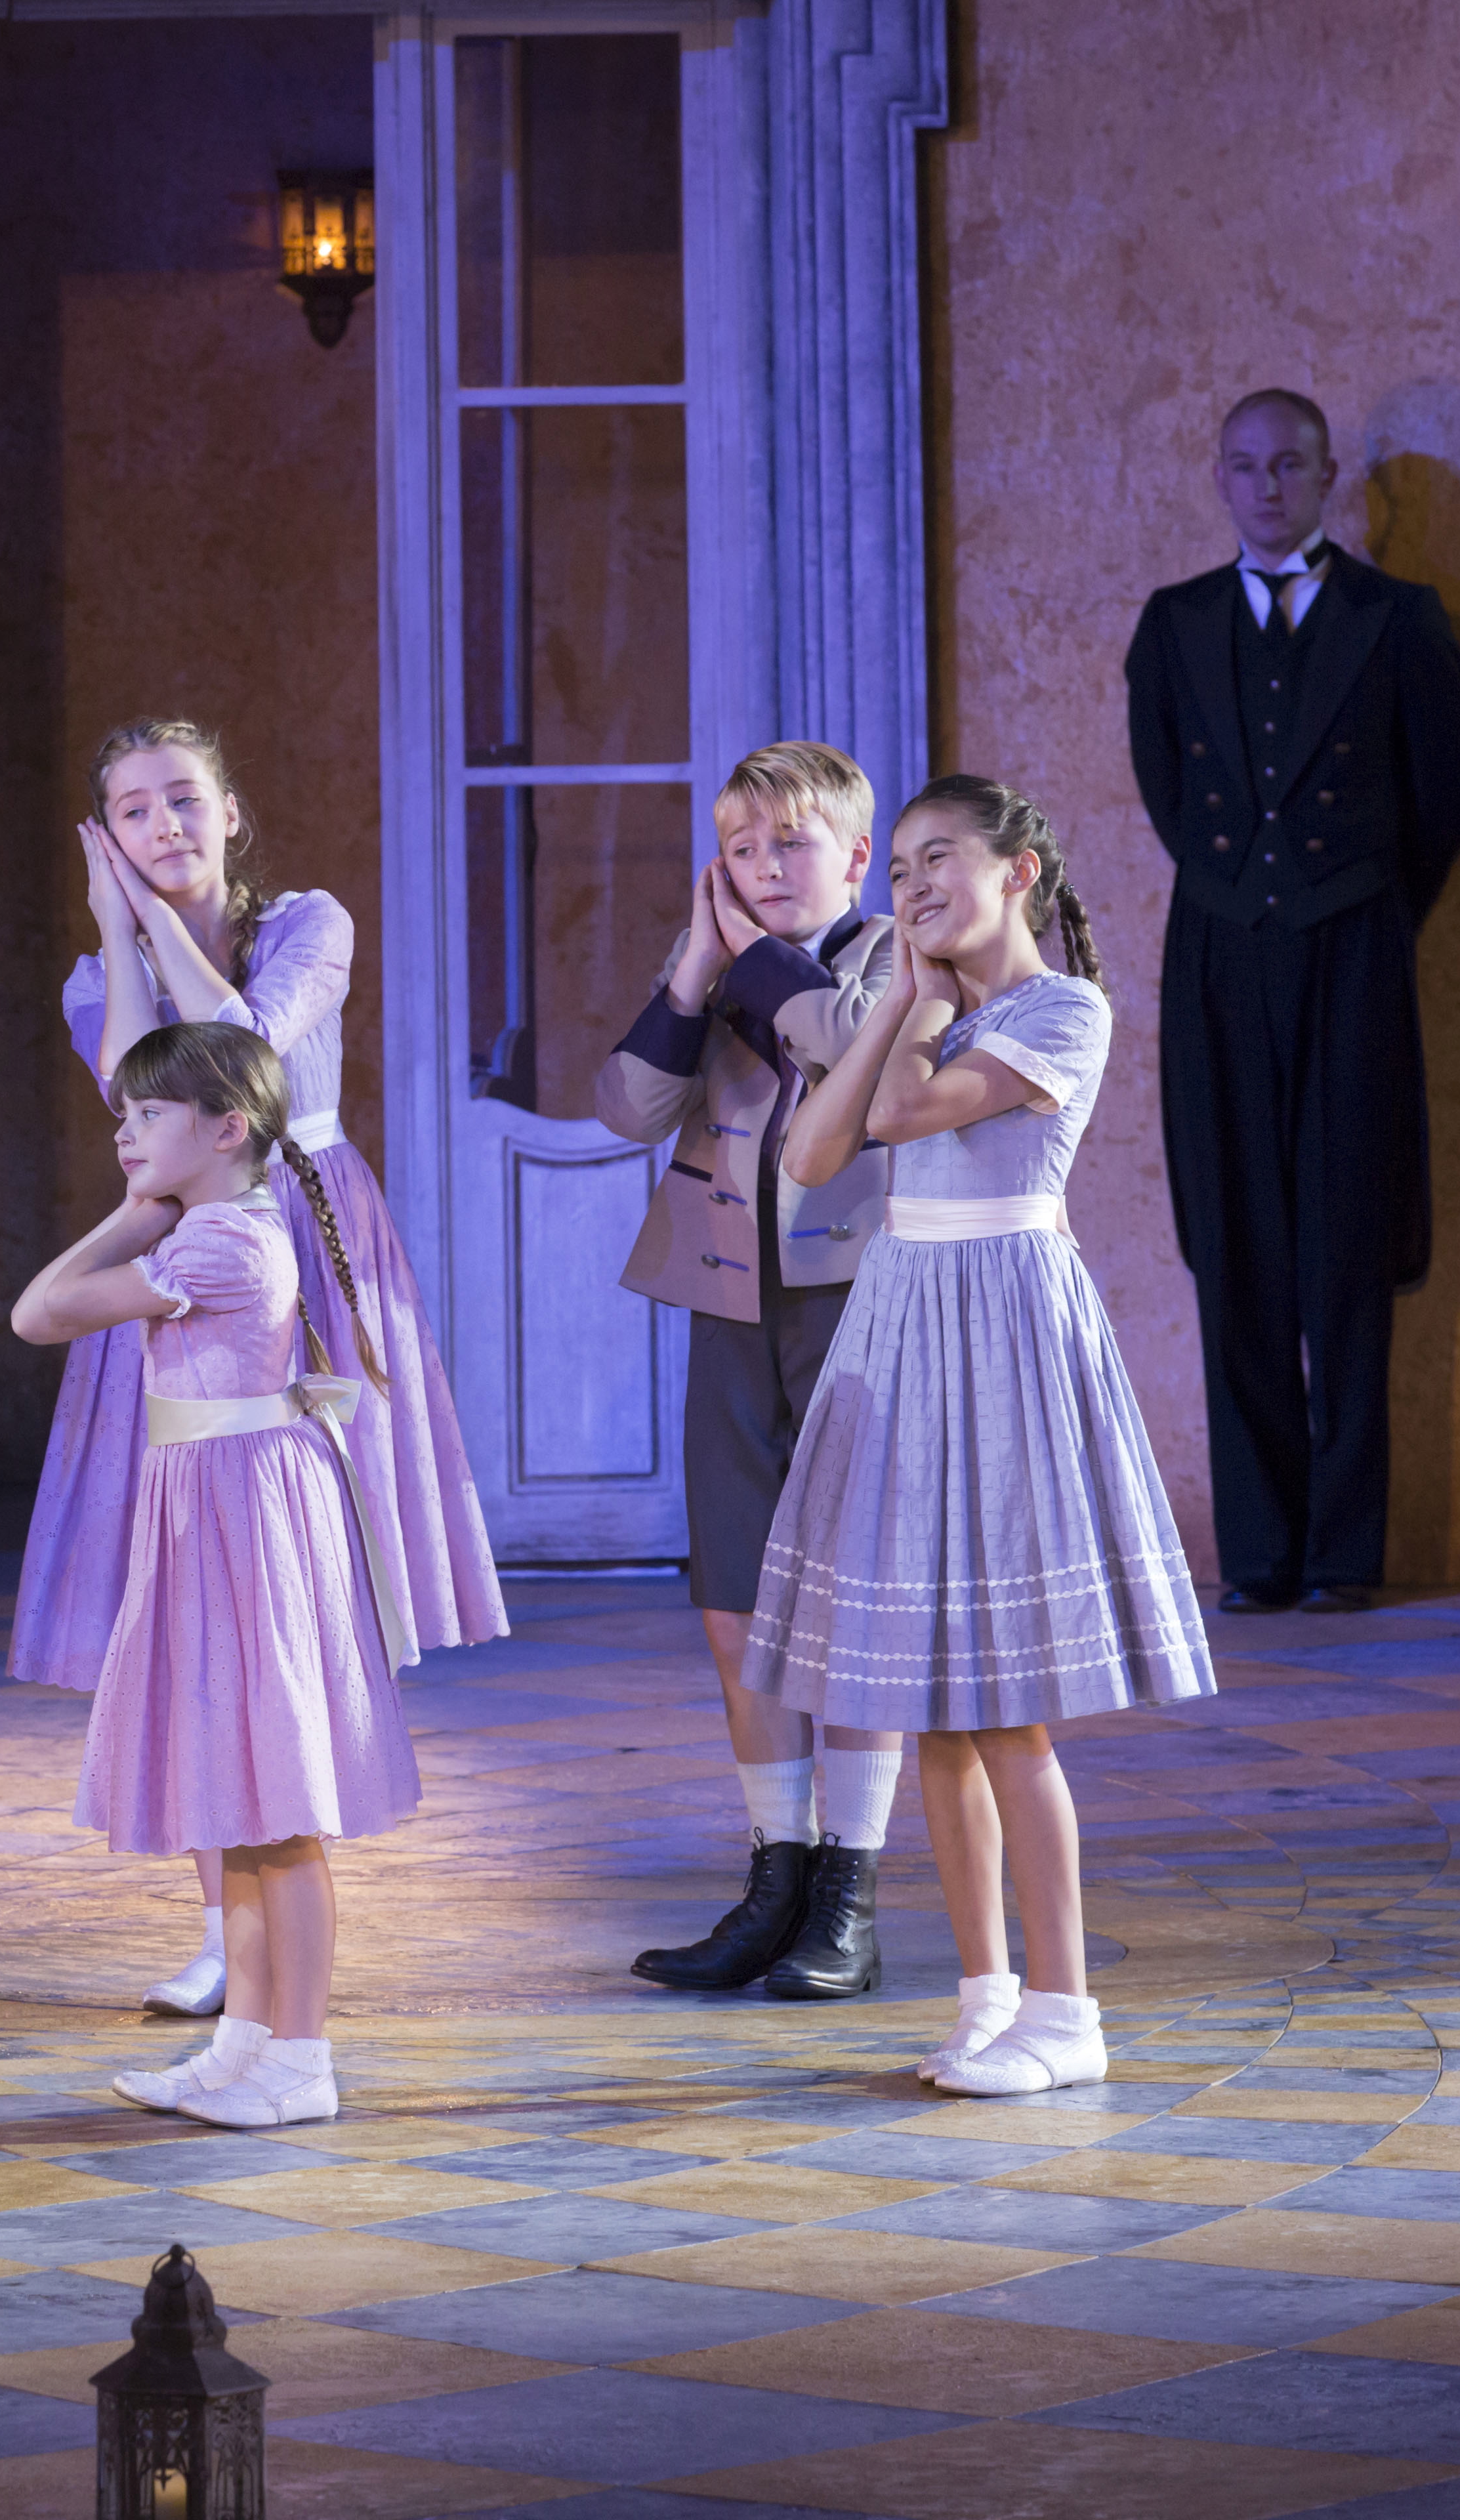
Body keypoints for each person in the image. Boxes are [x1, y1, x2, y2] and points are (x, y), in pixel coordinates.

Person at [13, 719, 500, 2015]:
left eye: (184, 799)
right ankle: (224, 1932)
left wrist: (148, 920)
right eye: (132, 811)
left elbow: (246, 1053)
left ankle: (289, 1903)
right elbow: (133, 1081)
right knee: (191, 1597)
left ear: (230, 811)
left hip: (308, 1241)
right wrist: (119, 933)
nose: (163, 826)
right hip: (183, 1255)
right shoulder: (95, 974)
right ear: (106, 837)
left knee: (290, 1587)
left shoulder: (307, 924)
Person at [753, 776, 1217, 2095]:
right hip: (905, 1325)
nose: (914, 889)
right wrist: (904, 1000)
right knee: (933, 1717)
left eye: (939, 859)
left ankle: (1066, 2013)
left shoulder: (1065, 1010)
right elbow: (811, 1157)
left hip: (1005, 1332)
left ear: (1018, 872)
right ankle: (987, 1995)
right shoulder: (926, 1008)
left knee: (1007, 1713)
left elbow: (904, 1117)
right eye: (898, 869)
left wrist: (915, 1008)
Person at [12, 1022, 420, 2128]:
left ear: (227, 1129)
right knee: (236, 1803)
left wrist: (129, 1218)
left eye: (150, 1115)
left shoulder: (216, 1248)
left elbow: (38, 1313)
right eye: (124, 1115)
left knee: (277, 1811)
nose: (125, 1133)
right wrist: (152, 1204)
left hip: (245, 1519)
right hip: (214, 1511)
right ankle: (244, 2042)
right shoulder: (221, 1227)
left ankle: (301, 2058)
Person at [1124, 387, 1460, 1614]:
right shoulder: (1173, 623)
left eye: (1289, 465)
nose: (1267, 486)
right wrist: (1247, 899)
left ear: (1329, 479)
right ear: (1219, 478)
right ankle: (1260, 1554)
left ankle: (1342, 1556)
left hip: (1355, 953)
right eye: (1246, 465)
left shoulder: (1399, 619)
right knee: (1236, 1251)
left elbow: (1442, 806)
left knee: (1347, 1245)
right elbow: (1169, 796)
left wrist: (1360, 908)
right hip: (1219, 958)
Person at [600, 743, 912, 2003]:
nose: (766, 867)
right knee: (737, 1599)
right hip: (729, 1299)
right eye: (741, 848)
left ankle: (850, 1890)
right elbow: (627, 1108)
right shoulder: (720, 965)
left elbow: (847, 1045)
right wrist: (693, 966)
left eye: (792, 843)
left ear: (856, 855)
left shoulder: (895, 954)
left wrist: (751, 958)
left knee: (855, 1595)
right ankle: (775, 1875)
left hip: (858, 1302)